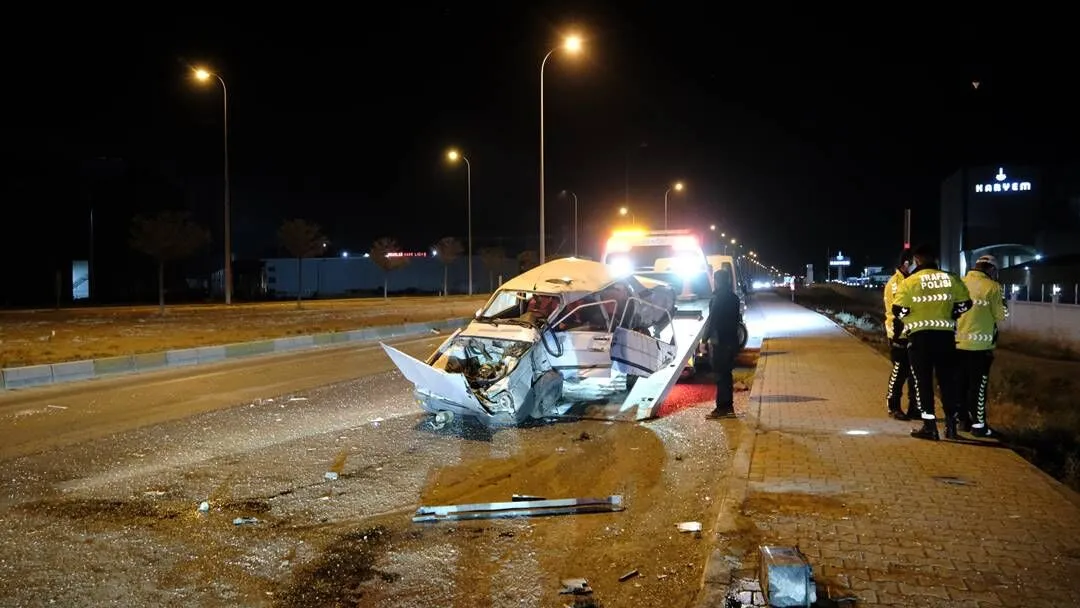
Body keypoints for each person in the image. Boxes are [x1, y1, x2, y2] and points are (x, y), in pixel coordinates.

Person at [893, 245, 972, 440]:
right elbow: (966, 303)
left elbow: (898, 310)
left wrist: (909, 318)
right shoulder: (951, 278)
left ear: (917, 261)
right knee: (947, 382)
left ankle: (930, 426)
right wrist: (953, 314)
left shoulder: (910, 282)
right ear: (934, 259)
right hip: (945, 338)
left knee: (923, 383)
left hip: (920, 339)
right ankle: (952, 427)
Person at [955, 255, 1008, 437]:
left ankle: (962, 421)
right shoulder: (993, 287)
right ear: (991, 270)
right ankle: (979, 426)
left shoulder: (960, 283)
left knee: (960, 385)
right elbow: (1001, 316)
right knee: (978, 387)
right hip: (980, 347)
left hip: (957, 344)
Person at [883, 248, 918, 420]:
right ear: (906, 263)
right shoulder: (896, 283)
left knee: (914, 373)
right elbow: (900, 311)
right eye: (914, 262)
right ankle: (893, 406)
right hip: (899, 335)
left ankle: (915, 408)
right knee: (899, 370)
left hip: (912, 333)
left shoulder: (909, 280)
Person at [706, 268, 743, 419]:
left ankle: (722, 408)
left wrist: (703, 339)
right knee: (726, 374)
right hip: (732, 340)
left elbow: (712, 320)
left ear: (717, 281)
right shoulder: (734, 298)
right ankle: (728, 408)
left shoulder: (718, 298)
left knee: (721, 375)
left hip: (720, 341)